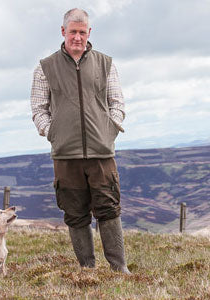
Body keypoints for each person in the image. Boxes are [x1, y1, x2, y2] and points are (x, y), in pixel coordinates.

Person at [30, 8, 130, 273]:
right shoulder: (45, 68)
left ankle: (119, 269)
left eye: (82, 32)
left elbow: (117, 102)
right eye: (72, 31)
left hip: (101, 153)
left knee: (109, 208)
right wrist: (53, 132)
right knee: (75, 214)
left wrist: (110, 128)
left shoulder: (105, 63)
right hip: (65, 156)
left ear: (89, 33)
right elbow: (39, 109)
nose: (77, 37)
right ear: (63, 32)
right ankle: (88, 270)